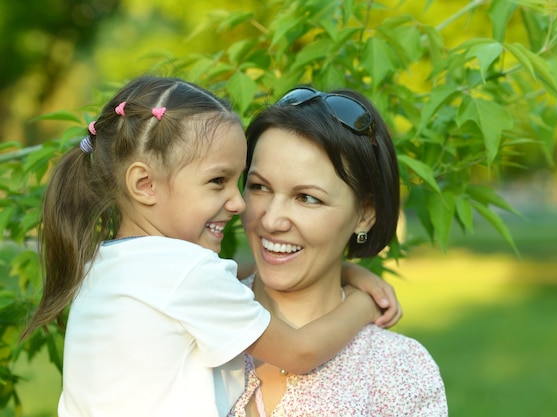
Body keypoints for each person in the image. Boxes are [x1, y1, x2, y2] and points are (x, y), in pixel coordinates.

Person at [20, 76, 401, 417]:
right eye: (218, 181)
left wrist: (349, 270)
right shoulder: (186, 274)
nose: (237, 204)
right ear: (145, 185)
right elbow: (300, 353)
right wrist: (363, 302)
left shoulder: (107, 263)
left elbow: (217, 279)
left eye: (241, 182)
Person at [228, 87, 448, 416]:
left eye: (307, 198)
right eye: (259, 187)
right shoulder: (193, 314)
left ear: (365, 214)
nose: (271, 220)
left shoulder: (398, 371)